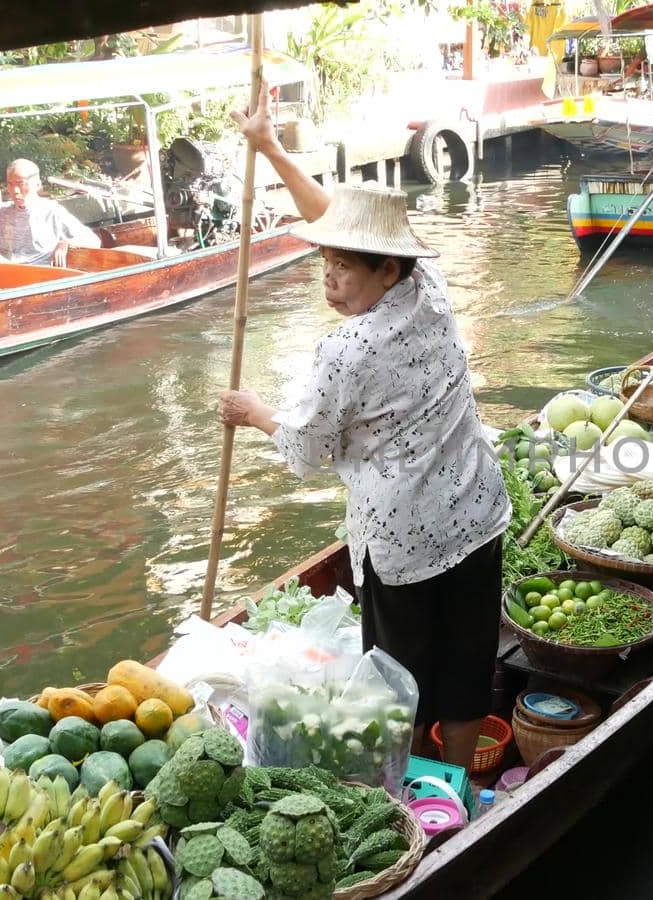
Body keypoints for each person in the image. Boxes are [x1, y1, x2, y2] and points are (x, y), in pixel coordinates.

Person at [217, 90, 511, 773]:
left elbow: (303, 449)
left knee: (399, 681)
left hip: (403, 540)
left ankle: (409, 792)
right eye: (325, 263)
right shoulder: (427, 286)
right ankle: (459, 784)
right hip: (474, 512)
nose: (329, 278)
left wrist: (253, 410)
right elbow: (336, 217)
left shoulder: (345, 351)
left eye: (343, 267)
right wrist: (272, 148)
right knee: (469, 661)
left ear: (386, 267)